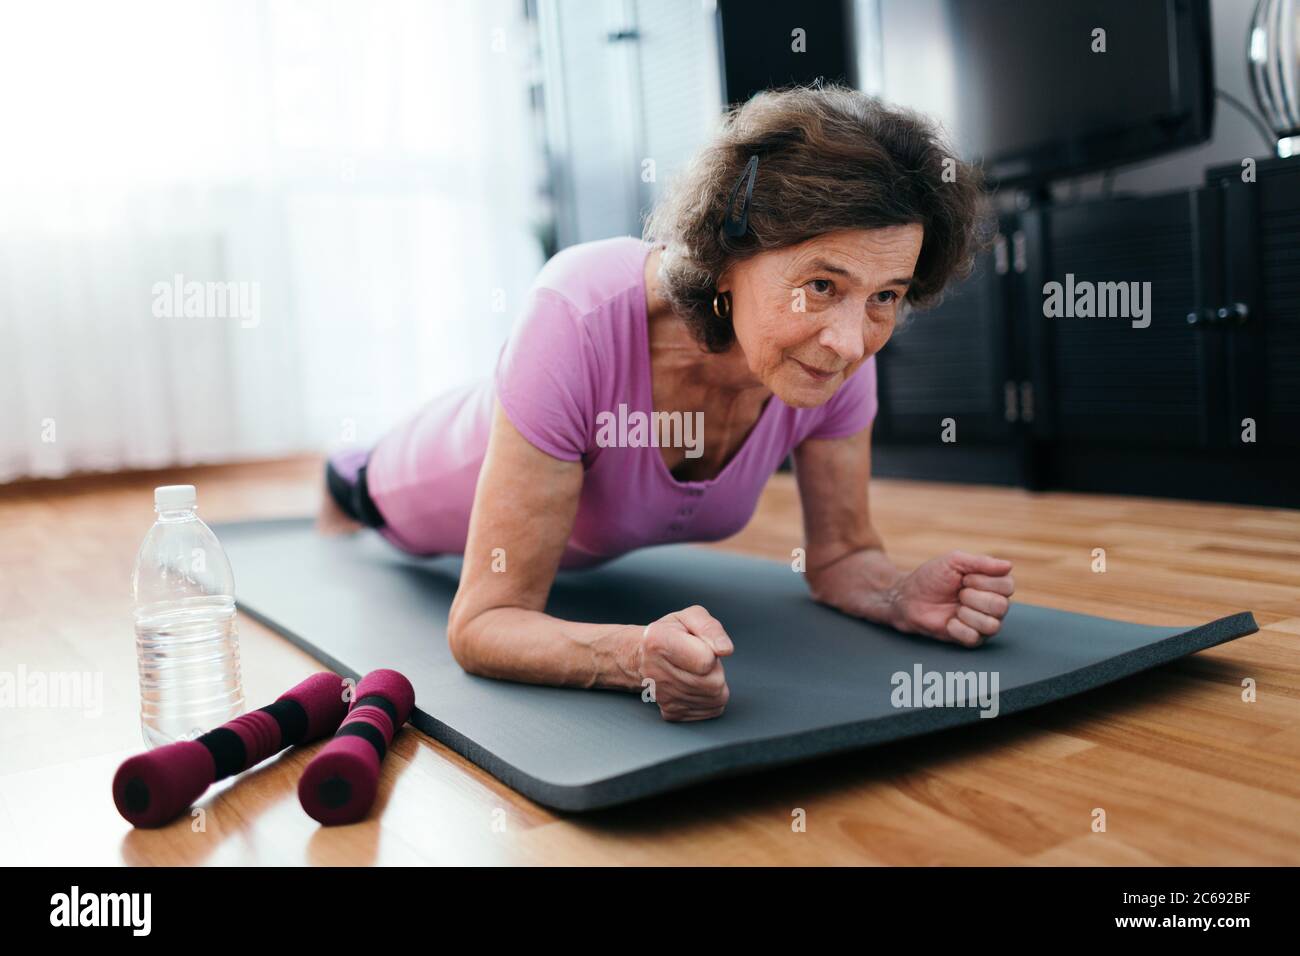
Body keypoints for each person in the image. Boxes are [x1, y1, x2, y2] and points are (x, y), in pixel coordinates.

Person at [320, 85, 1014, 722]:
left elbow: (842, 556)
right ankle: (338, 478)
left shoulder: (831, 355)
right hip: (410, 480)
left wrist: (896, 595)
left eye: (885, 296)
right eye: (823, 285)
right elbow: (483, 622)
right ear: (726, 254)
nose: (850, 340)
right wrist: (631, 659)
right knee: (356, 481)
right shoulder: (578, 312)